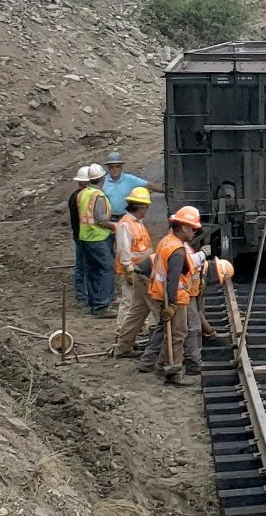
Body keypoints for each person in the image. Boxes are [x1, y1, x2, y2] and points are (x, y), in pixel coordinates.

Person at [142, 206, 207, 385]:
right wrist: (172, 304)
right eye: (193, 229)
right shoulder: (178, 251)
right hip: (176, 298)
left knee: (168, 333)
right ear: (184, 227)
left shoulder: (167, 241)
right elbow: (173, 279)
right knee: (178, 335)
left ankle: (161, 366)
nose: (194, 232)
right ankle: (174, 375)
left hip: (161, 293)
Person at [111, 187, 156, 357]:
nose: (147, 210)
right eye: (146, 207)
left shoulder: (137, 223)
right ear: (140, 207)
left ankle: (128, 336)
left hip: (141, 272)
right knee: (129, 304)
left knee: (135, 305)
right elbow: (123, 249)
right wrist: (128, 269)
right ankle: (121, 333)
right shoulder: (125, 224)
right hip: (132, 271)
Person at [72, 164, 115, 316]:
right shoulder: (98, 196)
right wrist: (116, 226)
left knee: (92, 270)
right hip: (98, 237)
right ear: (102, 178)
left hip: (85, 237)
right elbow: (100, 220)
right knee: (107, 268)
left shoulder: (82, 194)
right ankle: (102, 305)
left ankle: (94, 303)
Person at [99, 150, 148, 216]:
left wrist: (164, 189)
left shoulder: (130, 179)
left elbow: (148, 184)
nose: (115, 169)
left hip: (126, 216)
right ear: (108, 167)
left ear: (121, 167)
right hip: (109, 218)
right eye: (112, 167)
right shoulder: (103, 181)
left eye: (117, 166)